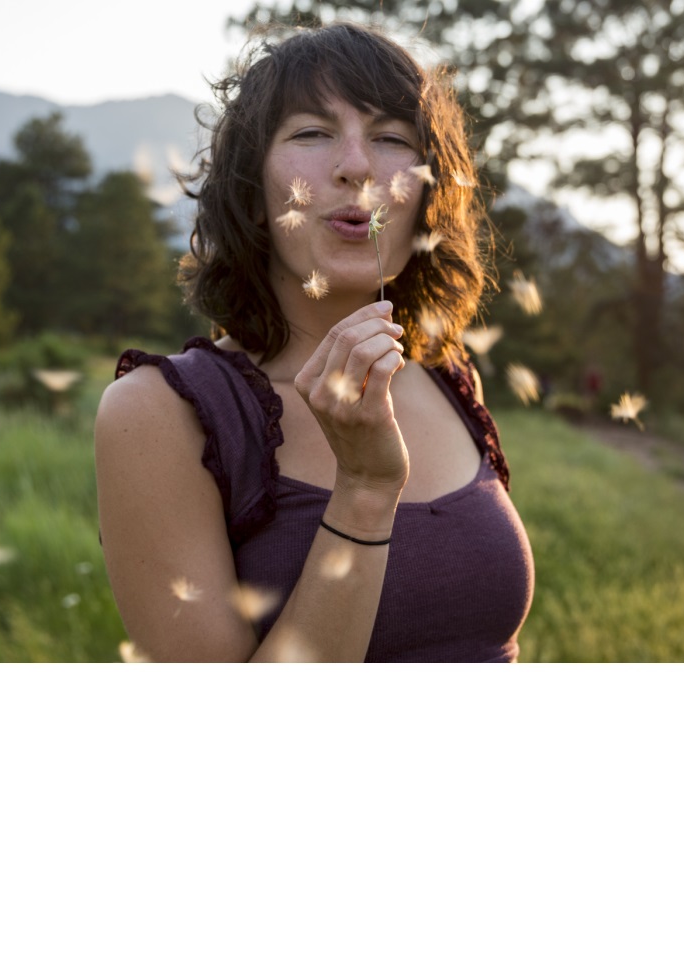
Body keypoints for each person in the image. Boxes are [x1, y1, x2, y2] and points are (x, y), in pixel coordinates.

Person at [94, 22, 534, 662]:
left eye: (390, 138)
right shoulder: (160, 415)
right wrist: (362, 492)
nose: (356, 165)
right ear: (252, 188)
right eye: (311, 133)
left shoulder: (448, 375)